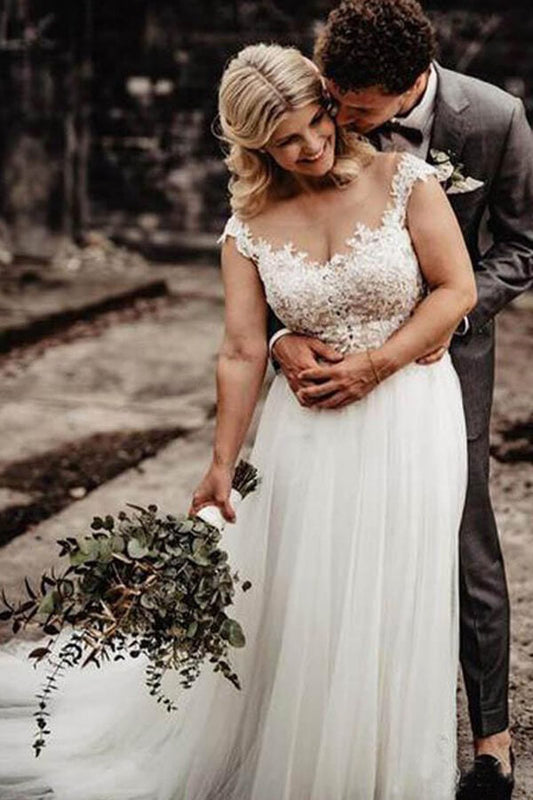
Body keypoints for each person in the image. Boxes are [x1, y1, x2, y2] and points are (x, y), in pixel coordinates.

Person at [0, 42, 475, 800]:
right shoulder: (247, 225)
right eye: (287, 139)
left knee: (396, 591)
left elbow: (455, 292)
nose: (312, 145)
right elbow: (239, 348)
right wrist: (220, 463)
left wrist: (373, 366)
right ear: (255, 145)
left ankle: (387, 773)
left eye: (317, 122)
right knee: (306, 598)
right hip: (306, 433)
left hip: (410, 416)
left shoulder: (404, 180)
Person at [268, 2, 533, 797]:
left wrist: (440, 319)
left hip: (446, 361)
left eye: (356, 110)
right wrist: (284, 339)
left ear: (413, 85)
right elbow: (267, 230)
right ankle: (344, 723)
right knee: (325, 539)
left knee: (461, 536)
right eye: (331, 96)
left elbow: (522, 245)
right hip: (327, 358)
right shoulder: (311, 104)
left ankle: (491, 742)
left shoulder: (491, 118)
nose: (335, 121)